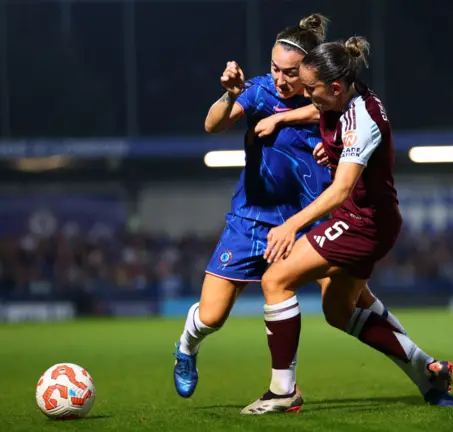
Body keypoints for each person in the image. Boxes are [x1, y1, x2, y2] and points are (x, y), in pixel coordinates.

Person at [173, 14, 409, 400]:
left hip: (309, 217)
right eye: (273, 68)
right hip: (253, 216)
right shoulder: (259, 92)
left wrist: (285, 121)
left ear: (309, 71)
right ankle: (186, 345)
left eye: (289, 72)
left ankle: (416, 362)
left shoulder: (327, 96)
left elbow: (342, 114)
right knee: (212, 316)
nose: (279, 79)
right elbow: (213, 125)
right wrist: (231, 94)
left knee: (350, 301)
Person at [241, 36, 453, 414]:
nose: (306, 96)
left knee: (275, 279)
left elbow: (341, 190)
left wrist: (289, 225)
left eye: (311, 89)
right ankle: (429, 371)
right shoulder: (343, 96)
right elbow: (318, 114)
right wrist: (281, 117)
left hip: (362, 222)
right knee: (340, 312)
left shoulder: (362, 121)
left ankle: (282, 391)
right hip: (367, 219)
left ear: (336, 88)